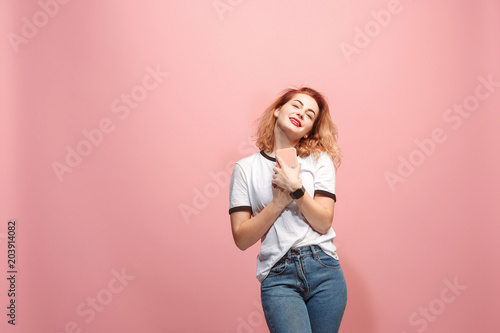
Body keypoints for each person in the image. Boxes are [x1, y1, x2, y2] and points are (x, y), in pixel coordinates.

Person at [228, 87, 347, 332]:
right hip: (279, 275)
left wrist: (296, 188)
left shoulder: (319, 160)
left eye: (310, 114)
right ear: (277, 110)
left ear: (309, 131)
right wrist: (278, 203)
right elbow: (241, 238)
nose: (302, 113)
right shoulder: (245, 169)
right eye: (296, 105)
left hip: (324, 268)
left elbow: (323, 222)